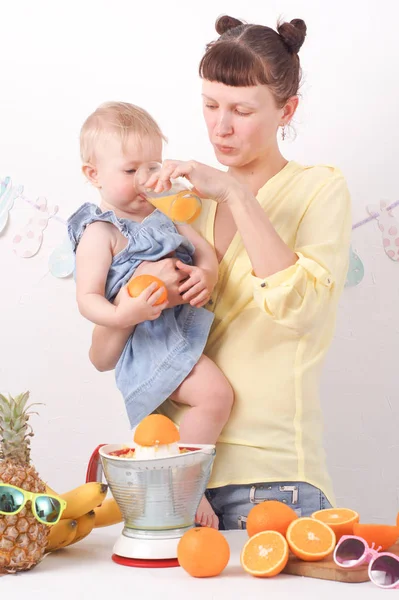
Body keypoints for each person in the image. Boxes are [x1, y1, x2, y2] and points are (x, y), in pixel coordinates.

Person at [89, 15, 352, 529]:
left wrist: (232, 190)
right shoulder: (178, 206)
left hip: (275, 480)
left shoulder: (320, 190)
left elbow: (300, 310)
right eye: (210, 105)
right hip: (175, 478)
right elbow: (106, 352)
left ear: (287, 110)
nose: (220, 126)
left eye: (241, 110)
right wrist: (138, 298)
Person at [67, 101, 234, 528]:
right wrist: (127, 312)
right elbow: (87, 299)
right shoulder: (99, 232)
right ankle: (188, 488)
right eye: (129, 170)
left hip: (176, 329)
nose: (145, 180)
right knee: (215, 395)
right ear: (93, 174)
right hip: (145, 342)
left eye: (152, 167)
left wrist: (207, 276)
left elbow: (206, 253)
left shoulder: (167, 214)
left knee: (205, 404)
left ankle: (176, 487)